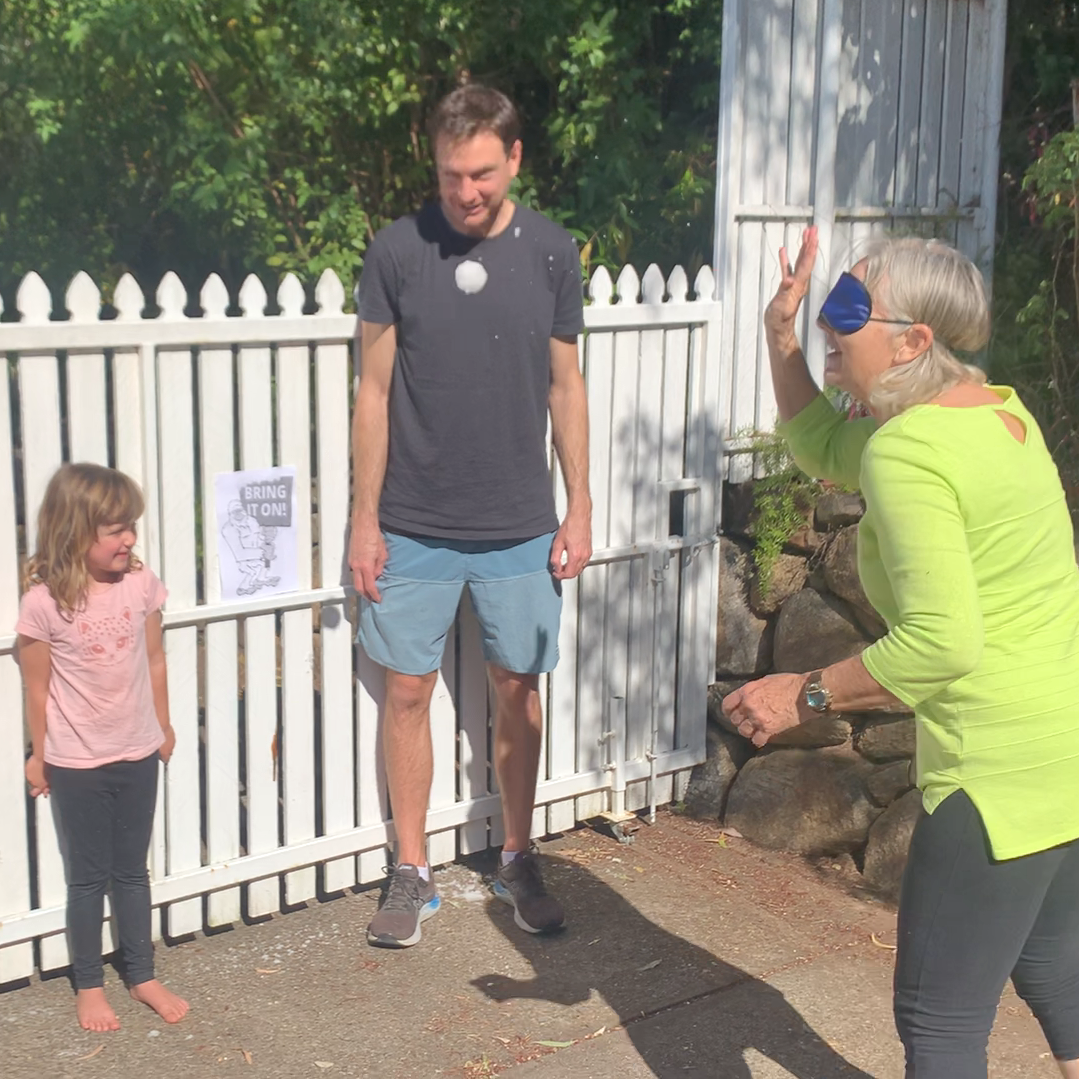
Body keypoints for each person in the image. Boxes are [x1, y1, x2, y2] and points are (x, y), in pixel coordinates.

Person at [722, 228, 1079, 1079]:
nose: (826, 324)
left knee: (939, 1019)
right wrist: (780, 336)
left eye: (846, 310)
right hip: (1059, 752)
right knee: (1053, 970)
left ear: (913, 339)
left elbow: (940, 644)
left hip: (989, 771)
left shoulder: (911, 451)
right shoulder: (995, 411)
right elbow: (818, 446)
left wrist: (799, 695)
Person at [349, 84, 592, 949]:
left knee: (517, 689)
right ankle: (410, 870)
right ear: (435, 163)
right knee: (406, 691)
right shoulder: (395, 251)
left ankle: (518, 855)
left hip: (521, 520)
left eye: (483, 173)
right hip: (411, 518)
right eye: (452, 175)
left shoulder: (553, 253)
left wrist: (580, 505)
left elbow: (566, 386)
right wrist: (362, 519)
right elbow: (372, 393)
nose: (467, 192)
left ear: (514, 158)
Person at [16, 463, 189, 1032]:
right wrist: (39, 754)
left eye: (131, 527)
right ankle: (89, 984)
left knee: (133, 873)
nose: (129, 539)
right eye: (114, 529)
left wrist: (162, 727)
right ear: (73, 530)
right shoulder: (44, 603)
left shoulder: (140, 584)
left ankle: (141, 975)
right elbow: (36, 684)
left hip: (138, 752)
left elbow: (156, 658)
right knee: (88, 880)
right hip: (77, 763)